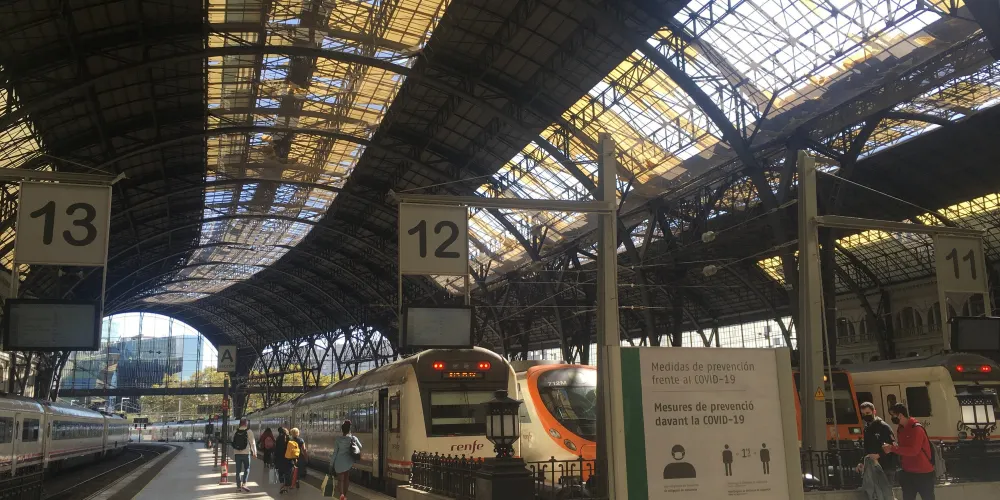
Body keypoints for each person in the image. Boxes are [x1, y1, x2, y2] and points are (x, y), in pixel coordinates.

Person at [883, 403, 935, 500]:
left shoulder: (916, 428)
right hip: (908, 472)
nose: (892, 418)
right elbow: (904, 448)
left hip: (923, 473)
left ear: (900, 415)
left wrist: (892, 448)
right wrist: (895, 447)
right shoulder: (900, 429)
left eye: (893, 415)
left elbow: (914, 451)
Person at [856, 402, 896, 480]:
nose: (866, 416)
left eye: (868, 413)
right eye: (863, 414)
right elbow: (866, 448)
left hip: (886, 467)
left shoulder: (883, 427)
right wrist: (862, 462)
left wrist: (879, 455)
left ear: (874, 411)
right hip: (873, 467)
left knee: (885, 487)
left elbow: (892, 446)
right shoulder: (867, 429)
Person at [331, 420, 362, 500]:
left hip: (338, 462)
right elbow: (360, 447)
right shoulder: (353, 438)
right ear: (349, 429)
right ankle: (344, 495)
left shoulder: (338, 439)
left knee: (340, 480)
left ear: (342, 430)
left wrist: (331, 464)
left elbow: (335, 452)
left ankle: (341, 494)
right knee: (346, 479)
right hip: (348, 462)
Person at [231, 418, 257, 493]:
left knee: (238, 470)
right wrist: (254, 452)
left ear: (240, 423)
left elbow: (232, 441)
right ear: (246, 423)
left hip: (237, 454)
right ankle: (244, 483)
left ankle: (238, 487)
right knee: (247, 468)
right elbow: (252, 442)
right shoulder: (249, 431)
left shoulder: (235, 431)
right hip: (246, 453)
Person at [282, 427, 307, 492]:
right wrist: (306, 457)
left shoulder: (289, 440)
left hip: (290, 457)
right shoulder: (301, 440)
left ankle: (291, 483)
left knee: (291, 471)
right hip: (299, 457)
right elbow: (304, 450)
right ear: (298, 433)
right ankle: (297, 480)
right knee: (298, 470)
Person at [274, 427, 291, 493]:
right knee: (287, 473)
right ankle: (286, 486)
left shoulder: (278, 439)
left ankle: (281, 485)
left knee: (280, 472)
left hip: (279, 459)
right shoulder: (290, 439)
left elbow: (276, 450)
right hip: (288, 459)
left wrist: (274, 459)